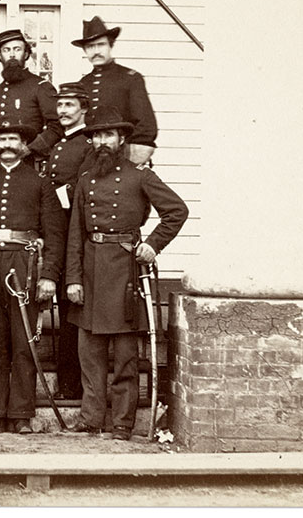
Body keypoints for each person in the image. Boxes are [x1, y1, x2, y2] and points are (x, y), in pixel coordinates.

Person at [64, 106, 188, 441]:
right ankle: (91, 418)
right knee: (88, 353)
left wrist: (153, 244)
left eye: (108, 135)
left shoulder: (140, 176)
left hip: (124, 272)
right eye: (97, 136)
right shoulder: (85, 180)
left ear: (121, 140)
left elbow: (177, 211)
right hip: (90, 271)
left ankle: (122, 422)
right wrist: (73, 278)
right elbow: (75, 232)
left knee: (123, 356)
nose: (102, 142)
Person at [0, 122, 67, 435]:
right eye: (2, 139)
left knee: (23, 342)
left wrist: (48, 275)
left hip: (24, 264)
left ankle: (21, 414)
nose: (7, 144)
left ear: (24, 144)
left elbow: (54, 232)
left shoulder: (39, 183)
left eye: (13, 139)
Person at [44, 81, 94, 399]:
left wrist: (47, 198)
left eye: (69, 105)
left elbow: (82, 190)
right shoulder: (58, 143)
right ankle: (65, 382)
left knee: (71, 310)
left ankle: (71, 384)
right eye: (60, 105)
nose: (62, 110)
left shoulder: (88, 144)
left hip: (77, 234)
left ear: (83, 109)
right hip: (57, 232)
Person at [73, 16, 158, 166]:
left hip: (124, 156)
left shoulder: (131, 78)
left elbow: (145, 126)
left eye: (101, 45)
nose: (96, 51)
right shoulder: (83, 84)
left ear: (110, 46)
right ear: (85, 50)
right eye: (90, 47)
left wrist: (131, 162)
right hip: (89, 158)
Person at [0, 29, 62, 164]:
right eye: (6, 50)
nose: (12, 54)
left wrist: (30, 149)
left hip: (31, 162)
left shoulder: (41, 86)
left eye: (17, 49)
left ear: (27, 54)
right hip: (3, 162)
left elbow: (57, 126)